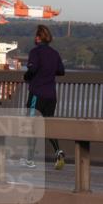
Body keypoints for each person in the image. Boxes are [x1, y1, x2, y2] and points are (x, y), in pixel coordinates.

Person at [23, 24, 66, 170]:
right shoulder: (54, 53)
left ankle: (30, 159)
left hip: (37, 93)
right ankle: (58, 151)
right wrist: (48, 71)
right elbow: (61, 71)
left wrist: (27, 75)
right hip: (51, 95)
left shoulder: (35, 52)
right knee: (48, 124)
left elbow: (32, 69)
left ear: (38, 38)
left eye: (36, 35)